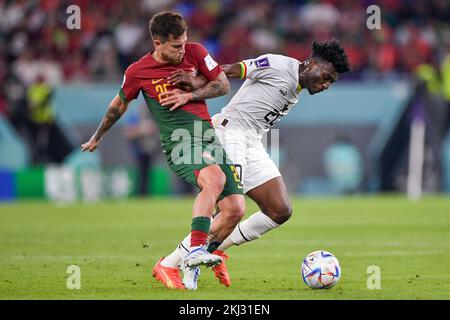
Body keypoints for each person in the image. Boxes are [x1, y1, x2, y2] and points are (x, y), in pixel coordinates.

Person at [161, 39, 351, 287]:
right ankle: (170, 264)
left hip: (252, 141)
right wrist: (195, 81)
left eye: (331, 82)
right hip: (230, 135)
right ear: (312, 64)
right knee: (229, 211)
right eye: (326, 76)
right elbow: (229, 69)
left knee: (279, 210)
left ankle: (215, 250)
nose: (326, 84)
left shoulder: (297, 87)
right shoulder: (278, 65)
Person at [81, 12, 245, 290]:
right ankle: (194, 253)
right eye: (175, 46)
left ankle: (178, 264)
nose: (182, 50)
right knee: (214, 181)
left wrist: (190, 93)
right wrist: (98, 136)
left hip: (208, 138)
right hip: (180, 141)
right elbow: (118, 105)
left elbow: (223, 85)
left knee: (234, 210)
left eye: (184, 43)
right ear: (157, 43)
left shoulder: (196, 53)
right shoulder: (138, 71)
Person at [123, 103, 159, 197]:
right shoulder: (135, 116)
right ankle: (140, 194)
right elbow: (128, 133)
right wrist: (141, 130)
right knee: (140, 174)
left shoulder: (154, 117)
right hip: (138, 151)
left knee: (146, 174)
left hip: (150, 150)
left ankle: (144, 194)